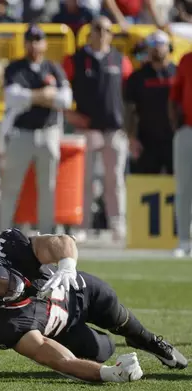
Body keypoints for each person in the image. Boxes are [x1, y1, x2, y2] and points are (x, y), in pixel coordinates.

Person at [0, 228, 188, 383]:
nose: (7, 283)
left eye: (1, 274)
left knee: (112, 306)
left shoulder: (11, 248)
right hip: (63, 331)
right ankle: (106, 349)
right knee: (103, 350)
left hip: (78, 291)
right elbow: (59, 360)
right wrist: (107, 373)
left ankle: (147, 340)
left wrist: (67, 265)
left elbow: (61, 241)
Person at [62, 16, 133, 242]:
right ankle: (82, 224)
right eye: (97, 29)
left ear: (111, 34)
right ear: (89, 32)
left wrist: (130, 128)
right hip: (88, 129)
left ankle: (117, 223)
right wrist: (70, 114)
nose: (101, 33)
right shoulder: (76, 59)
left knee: (115, 179)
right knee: (85, 179)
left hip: (114, 129)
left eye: (106, 30)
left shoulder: (121, 60)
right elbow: (61, 91)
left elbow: (129, 97)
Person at [0, 25, 72, 235]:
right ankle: (3, 235)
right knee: (11, 187)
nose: (34, 44)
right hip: (21, 134)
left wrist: (30, 97)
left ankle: (47, 234)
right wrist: (45, 95)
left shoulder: (53, 67)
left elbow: (65, 99)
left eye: (38, 40)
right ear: (25, 43)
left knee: (48, 188)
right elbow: (13, 97)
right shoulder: (15, 68)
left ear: (45, 43)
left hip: (48, 133)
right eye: (30, 40)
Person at [125, 30, 176, 175]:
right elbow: (130, 109)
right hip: (146, 141)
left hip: (174, 139)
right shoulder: (137, 77)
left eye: (161, 44)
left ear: (169, 47)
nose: (157, 48)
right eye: (153, 44)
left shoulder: (178, 73)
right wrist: (132, 138)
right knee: (145, 184)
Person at [170, 50, 192, 257]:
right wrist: (176, 125)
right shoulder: (186, 59)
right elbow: (175, 94)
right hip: (188, 130)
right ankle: (184, 240)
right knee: (184, 188)